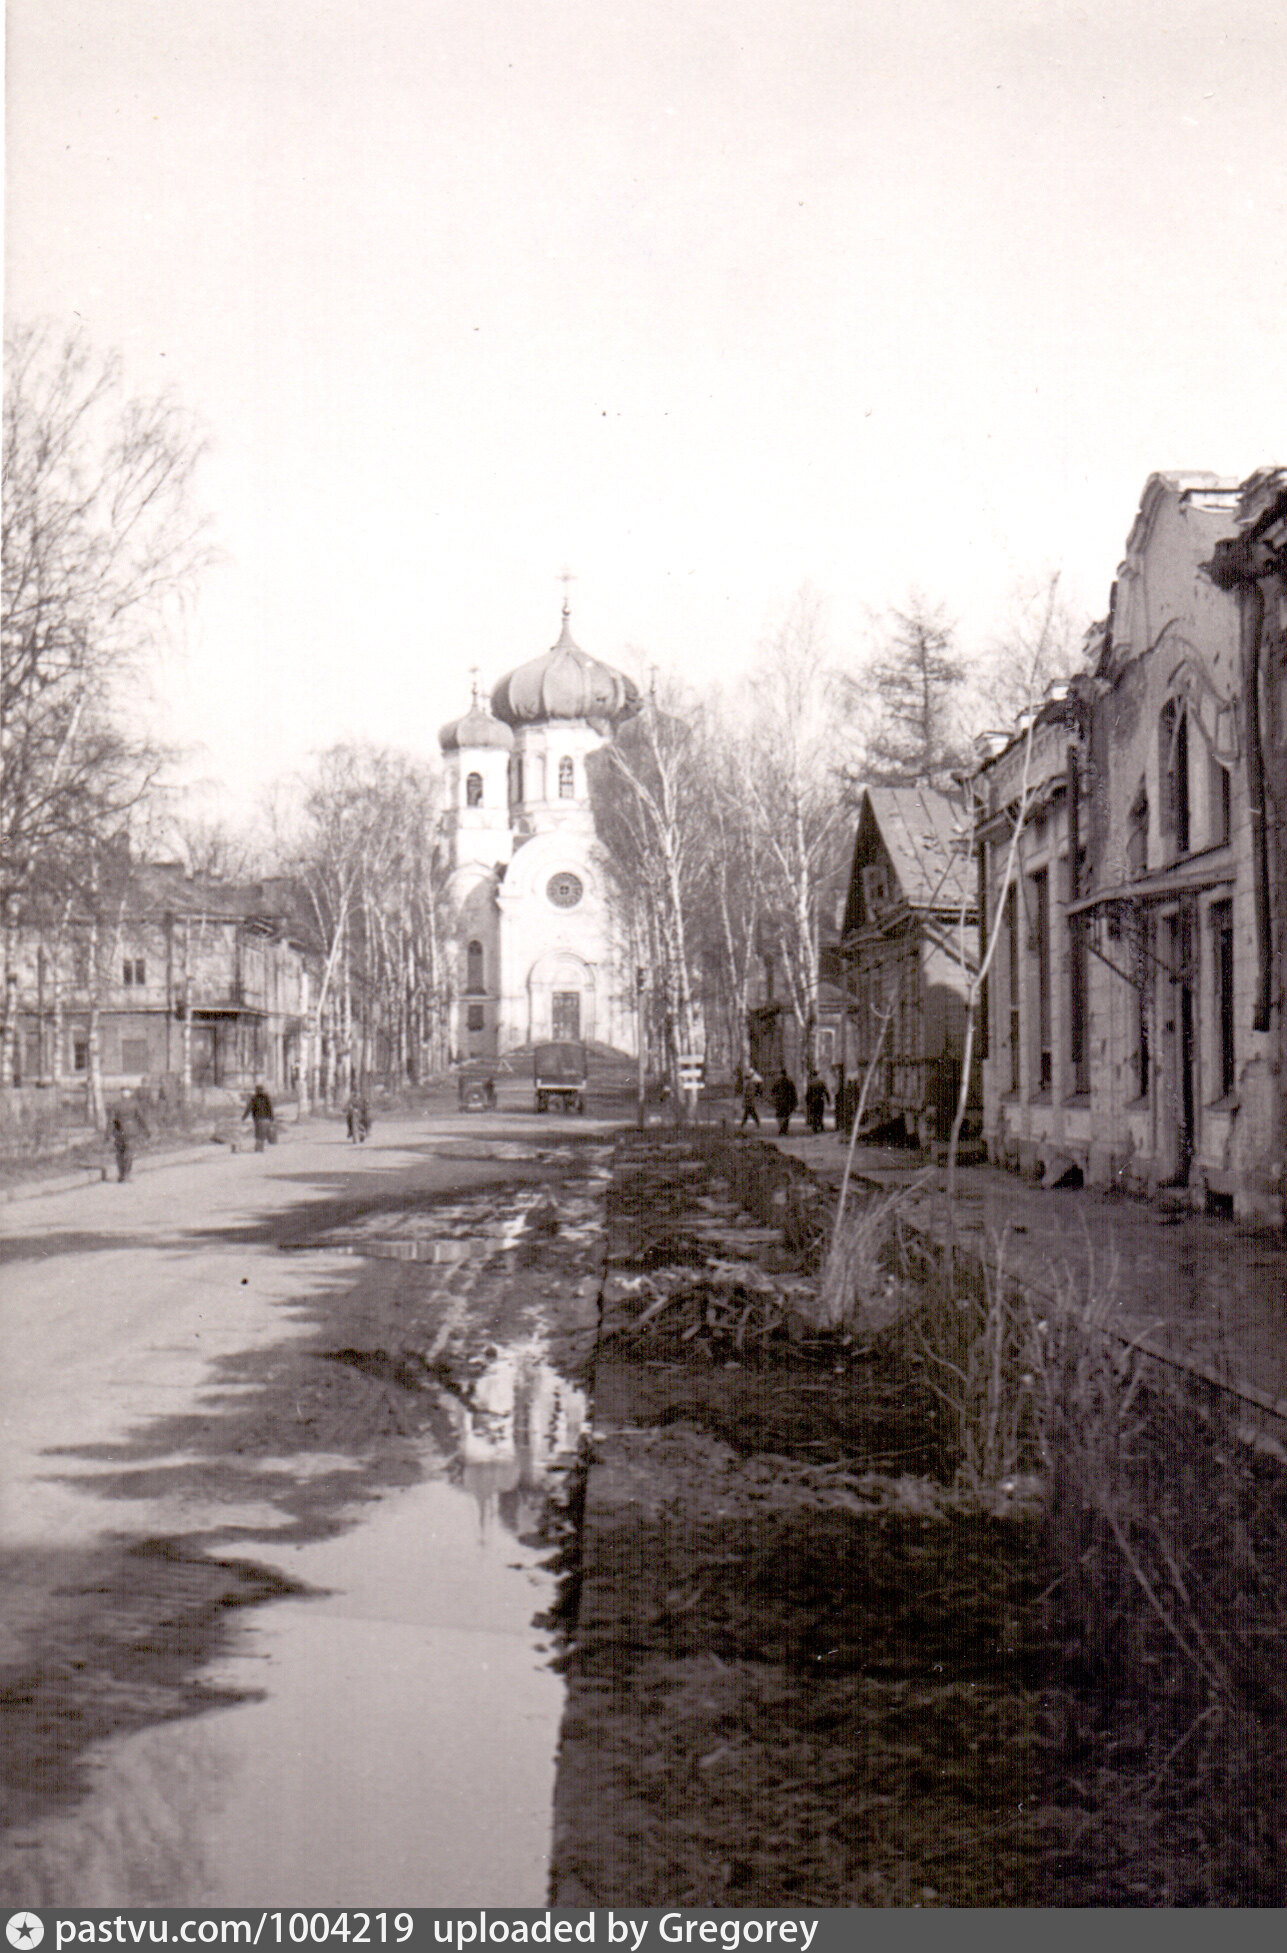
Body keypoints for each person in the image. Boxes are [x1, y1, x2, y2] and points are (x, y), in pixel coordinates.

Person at [243, 1082, 275, 1153]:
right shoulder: (266, 1098)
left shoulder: (254, 1098)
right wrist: (272, 1118)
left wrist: (244, 1117)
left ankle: (259, 1148)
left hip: (258, 1119)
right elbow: (270, 1108)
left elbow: (249, 1108)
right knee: (262, 1133)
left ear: (256, 1091)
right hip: (266, 1118)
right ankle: (260, 1148)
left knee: (258, 1133)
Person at [771, 1069, 798, 1136]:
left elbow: (773, 1091)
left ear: (781, 1073)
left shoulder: (777, 1082)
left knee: (779, 1116)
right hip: (788, 1102)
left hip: (779, 1102)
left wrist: (774, 1099)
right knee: (787, 1116)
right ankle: (785, 1129)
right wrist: (795, 1102)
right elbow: (794, 1093)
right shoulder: (790, 1081)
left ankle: (781, 1128)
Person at [110, 1109, 133, 1182]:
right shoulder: (133, 1103)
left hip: (119, 1132)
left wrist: (108, 1134)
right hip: (129, 1132)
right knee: (128, 1153)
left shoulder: (116, 1105)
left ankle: (122, 1174)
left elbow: (112, 1121)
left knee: (120, 1154)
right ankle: (126, 1174)